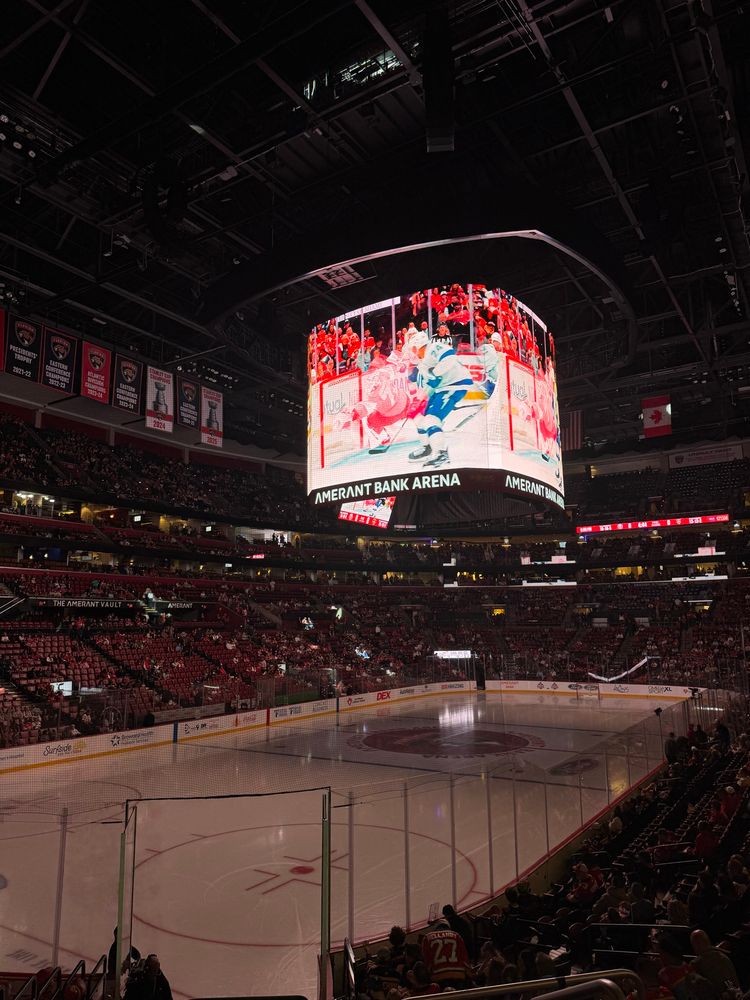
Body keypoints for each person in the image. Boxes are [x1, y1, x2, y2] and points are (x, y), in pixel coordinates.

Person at [421, 919, 470, 986]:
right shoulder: (456, 935)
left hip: (438, 976)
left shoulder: (427, 937)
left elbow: (427, 960)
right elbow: (465, 958)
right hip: (458, 974)